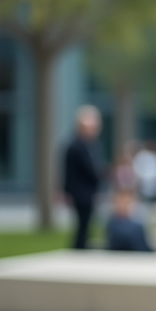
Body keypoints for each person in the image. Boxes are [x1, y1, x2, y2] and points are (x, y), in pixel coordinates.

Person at [62, 105, 104, 250]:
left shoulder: (92, 145)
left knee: (86, 224)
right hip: (81, 193)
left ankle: (81, 246)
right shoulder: (76, 146)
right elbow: (88, 170)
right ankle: (79, 248)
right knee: (82, 224)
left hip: (88, 192)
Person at [104, 187, 155, 252]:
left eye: (128, 201)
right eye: (122, 201)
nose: (125, 205)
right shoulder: (112, 224)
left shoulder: (137, 223)